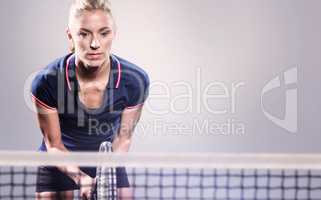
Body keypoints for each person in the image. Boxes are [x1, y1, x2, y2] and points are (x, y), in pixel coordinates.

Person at [31, 0, 149, 199]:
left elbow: (123, 138)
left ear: (114, 33)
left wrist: (105, 173)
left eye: (104, 33)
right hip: (61, 161)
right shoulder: (47, 81)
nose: (95, 44)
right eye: (84, 34)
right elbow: (53, 145)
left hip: (108, 160)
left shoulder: (135, 80)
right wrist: (81, 178)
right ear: (70, 36)